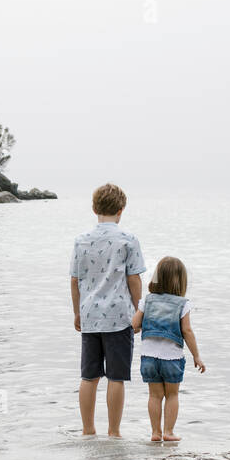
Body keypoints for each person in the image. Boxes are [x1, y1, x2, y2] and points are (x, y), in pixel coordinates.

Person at [71, 183, 145, 437]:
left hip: (90, 315)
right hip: (119, 317)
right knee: (116, 377)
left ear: (94, 208)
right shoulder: (128, 240)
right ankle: (114, 432)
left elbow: (74, 279)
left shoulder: (81, 241)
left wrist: (77, 312)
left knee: (89, 376)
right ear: (121, 210)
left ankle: (87, 430)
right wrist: (140, 311)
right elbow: (134, 279)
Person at [131, 256, 206, 442]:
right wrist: (196, 356)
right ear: (180, 280)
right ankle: (168, 432)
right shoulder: (183, 304)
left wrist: (143, 327)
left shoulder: (147, 301)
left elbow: (133, 325)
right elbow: (187, 331)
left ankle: (155, 433)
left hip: (148, 356)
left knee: (154, 396)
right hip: (171, 358)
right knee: (172, 395)